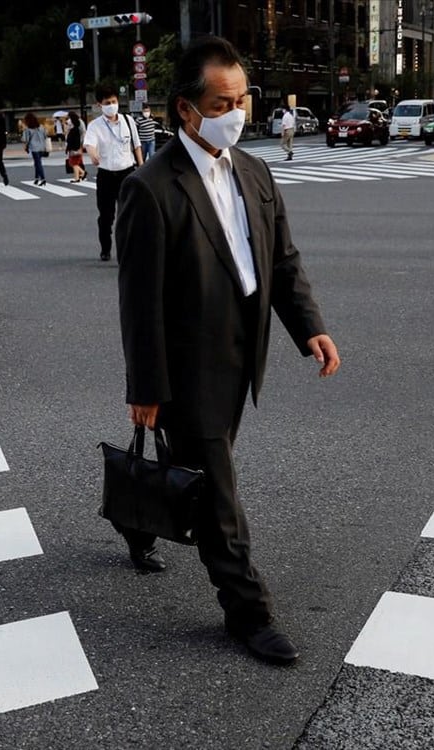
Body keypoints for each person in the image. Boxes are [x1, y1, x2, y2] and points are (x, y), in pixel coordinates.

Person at [113, 36, 340, 666]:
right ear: (187, 110)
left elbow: (281, 259)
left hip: (247, 351)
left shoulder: (254, 170)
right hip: (188, 368)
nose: (237, 112)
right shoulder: (151, 188)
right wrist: (146, 387)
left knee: (195, 470)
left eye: (243, 99)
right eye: (222, 102)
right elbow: (139, 301)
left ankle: (134, 516)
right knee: (217, 490)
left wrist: (309, 326)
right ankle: (248, 611)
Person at [83, 86, 144, 261]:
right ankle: (106, 248)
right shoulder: (95, 126)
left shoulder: (128, 121)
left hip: (127, 173)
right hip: (106, 175)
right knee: (106, 216)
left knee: (128, 215)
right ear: (99, 105)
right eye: (107, 103)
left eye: (114, 102)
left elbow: (136, 145)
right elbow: (90, 144)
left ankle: (126, 250)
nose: (111, 105)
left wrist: (141, 167)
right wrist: (93, 155)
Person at [22, 112, 48, 186]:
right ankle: (36, 178)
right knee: (37, 162)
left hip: (34, 147)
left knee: (38, 163)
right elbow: (45, 135)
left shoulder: (28, 129)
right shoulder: (41, 127)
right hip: (42, 147)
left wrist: (25, 147)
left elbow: (25, 139)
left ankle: (43, 178)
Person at [66, 111, 87, 182]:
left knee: (74, 163)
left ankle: (78, 176)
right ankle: (81, 173)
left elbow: (70, 140)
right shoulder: (79, 125)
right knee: (76, 161)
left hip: (74, 147)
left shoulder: (73, 130)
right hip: (78, 145)